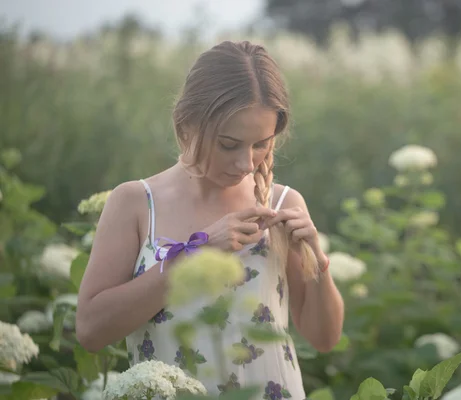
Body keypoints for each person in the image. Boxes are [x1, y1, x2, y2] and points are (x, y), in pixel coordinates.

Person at [75, 40, 345, 398]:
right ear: (187, 123)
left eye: (261, 144)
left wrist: (317, 261)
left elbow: (323, 339)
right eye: (229, 144)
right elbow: (91, 330)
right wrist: (198, 255)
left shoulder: (283, 203)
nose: (247, 163)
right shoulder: (136, 203)